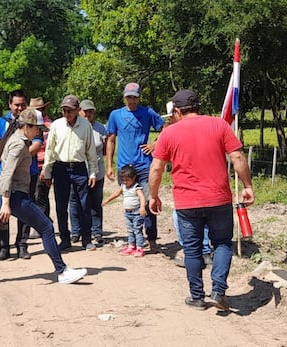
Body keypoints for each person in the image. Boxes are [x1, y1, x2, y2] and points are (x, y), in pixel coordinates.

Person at [0, 109, 88, 289]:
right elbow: (7, 173)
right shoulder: (18, 145)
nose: (40, 133)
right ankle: (63, 271)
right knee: (46, 227)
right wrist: (5, 203)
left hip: (0, 195)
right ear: (27, 126)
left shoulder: (15, 139)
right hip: (12, 196)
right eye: (37, 129)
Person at [148, 89, 254, 311]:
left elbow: (157, 167)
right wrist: (247, 186)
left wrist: (154, 195)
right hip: (219, 198)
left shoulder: (169, 133)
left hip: (187, 202)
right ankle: (218, 290)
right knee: (222, 243)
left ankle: (197, 297)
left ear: (177, 111)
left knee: (192, 249)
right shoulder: (219, 125)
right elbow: (237, 157)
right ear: (198, 106)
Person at [106, 83, 165, 251]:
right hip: (124, 166)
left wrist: (155, 143)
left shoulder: (148, 112)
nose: (131, 100)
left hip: (144, 165)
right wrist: (109, 164)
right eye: (129, 97)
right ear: (124, 97)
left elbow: (165, 128)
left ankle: (152, 238)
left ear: (139, 97)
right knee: (130, 202)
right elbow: (111, 140)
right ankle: (135, 240)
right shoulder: (116, 115)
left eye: (134, 97)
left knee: (147, 201)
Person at [41, 95, 98, 251]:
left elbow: (90, 150)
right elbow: (50, 150)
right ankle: (65, 239)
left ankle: (86, 239)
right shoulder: (56, 126)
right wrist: (47, 171)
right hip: (61, 168)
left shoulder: (86, 126)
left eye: (70, 111)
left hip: (79, 168)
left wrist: (92, 172)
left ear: (77, 110)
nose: (67, 114)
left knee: (84, 205)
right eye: (64, 110)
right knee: (61, 205)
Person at [0, 90, 42, 260]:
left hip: (28, 172)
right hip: (3, 172)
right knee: (2, 210)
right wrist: (11, 157)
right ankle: (3, 246)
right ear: (10, 105)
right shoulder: (1, 122)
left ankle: (22, 244)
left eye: (22, 104)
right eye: (16, 104)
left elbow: (36, 145)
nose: (19, 108)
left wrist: (20, 155)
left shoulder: (32, 120)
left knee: (25, 209)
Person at [69, 99, 107, 245]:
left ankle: (96, 232)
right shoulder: (75, 126)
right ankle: (76, 231)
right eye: (86, 111)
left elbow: (105, 147)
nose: (88, 114)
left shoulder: (100, 128)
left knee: (95, 202)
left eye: (91, 111)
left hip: (97, 170)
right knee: (75, 201)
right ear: (79, 111)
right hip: (78, 170)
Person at [102, 165, 147, 257]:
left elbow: (142, 197)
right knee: (130, 230)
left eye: (127, 180)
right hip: (128, 213)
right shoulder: (123, 186)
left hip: (136, 213)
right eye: (123, 180)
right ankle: (131, 246)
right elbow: (116, 194)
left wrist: (142, 207)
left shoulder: (137, 187)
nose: (125, 182)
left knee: (137, 230)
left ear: (133, 178)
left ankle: (139, 248)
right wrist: (107, 200)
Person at [30, 97, 53, 239]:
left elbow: (51, 148)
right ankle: (43, 222)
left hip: (44, 164)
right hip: (32, 164)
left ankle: (42, 224)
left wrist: (47, 167)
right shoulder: (30, 124)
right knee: (34, 195)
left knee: (41, 196)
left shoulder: (49, 126)